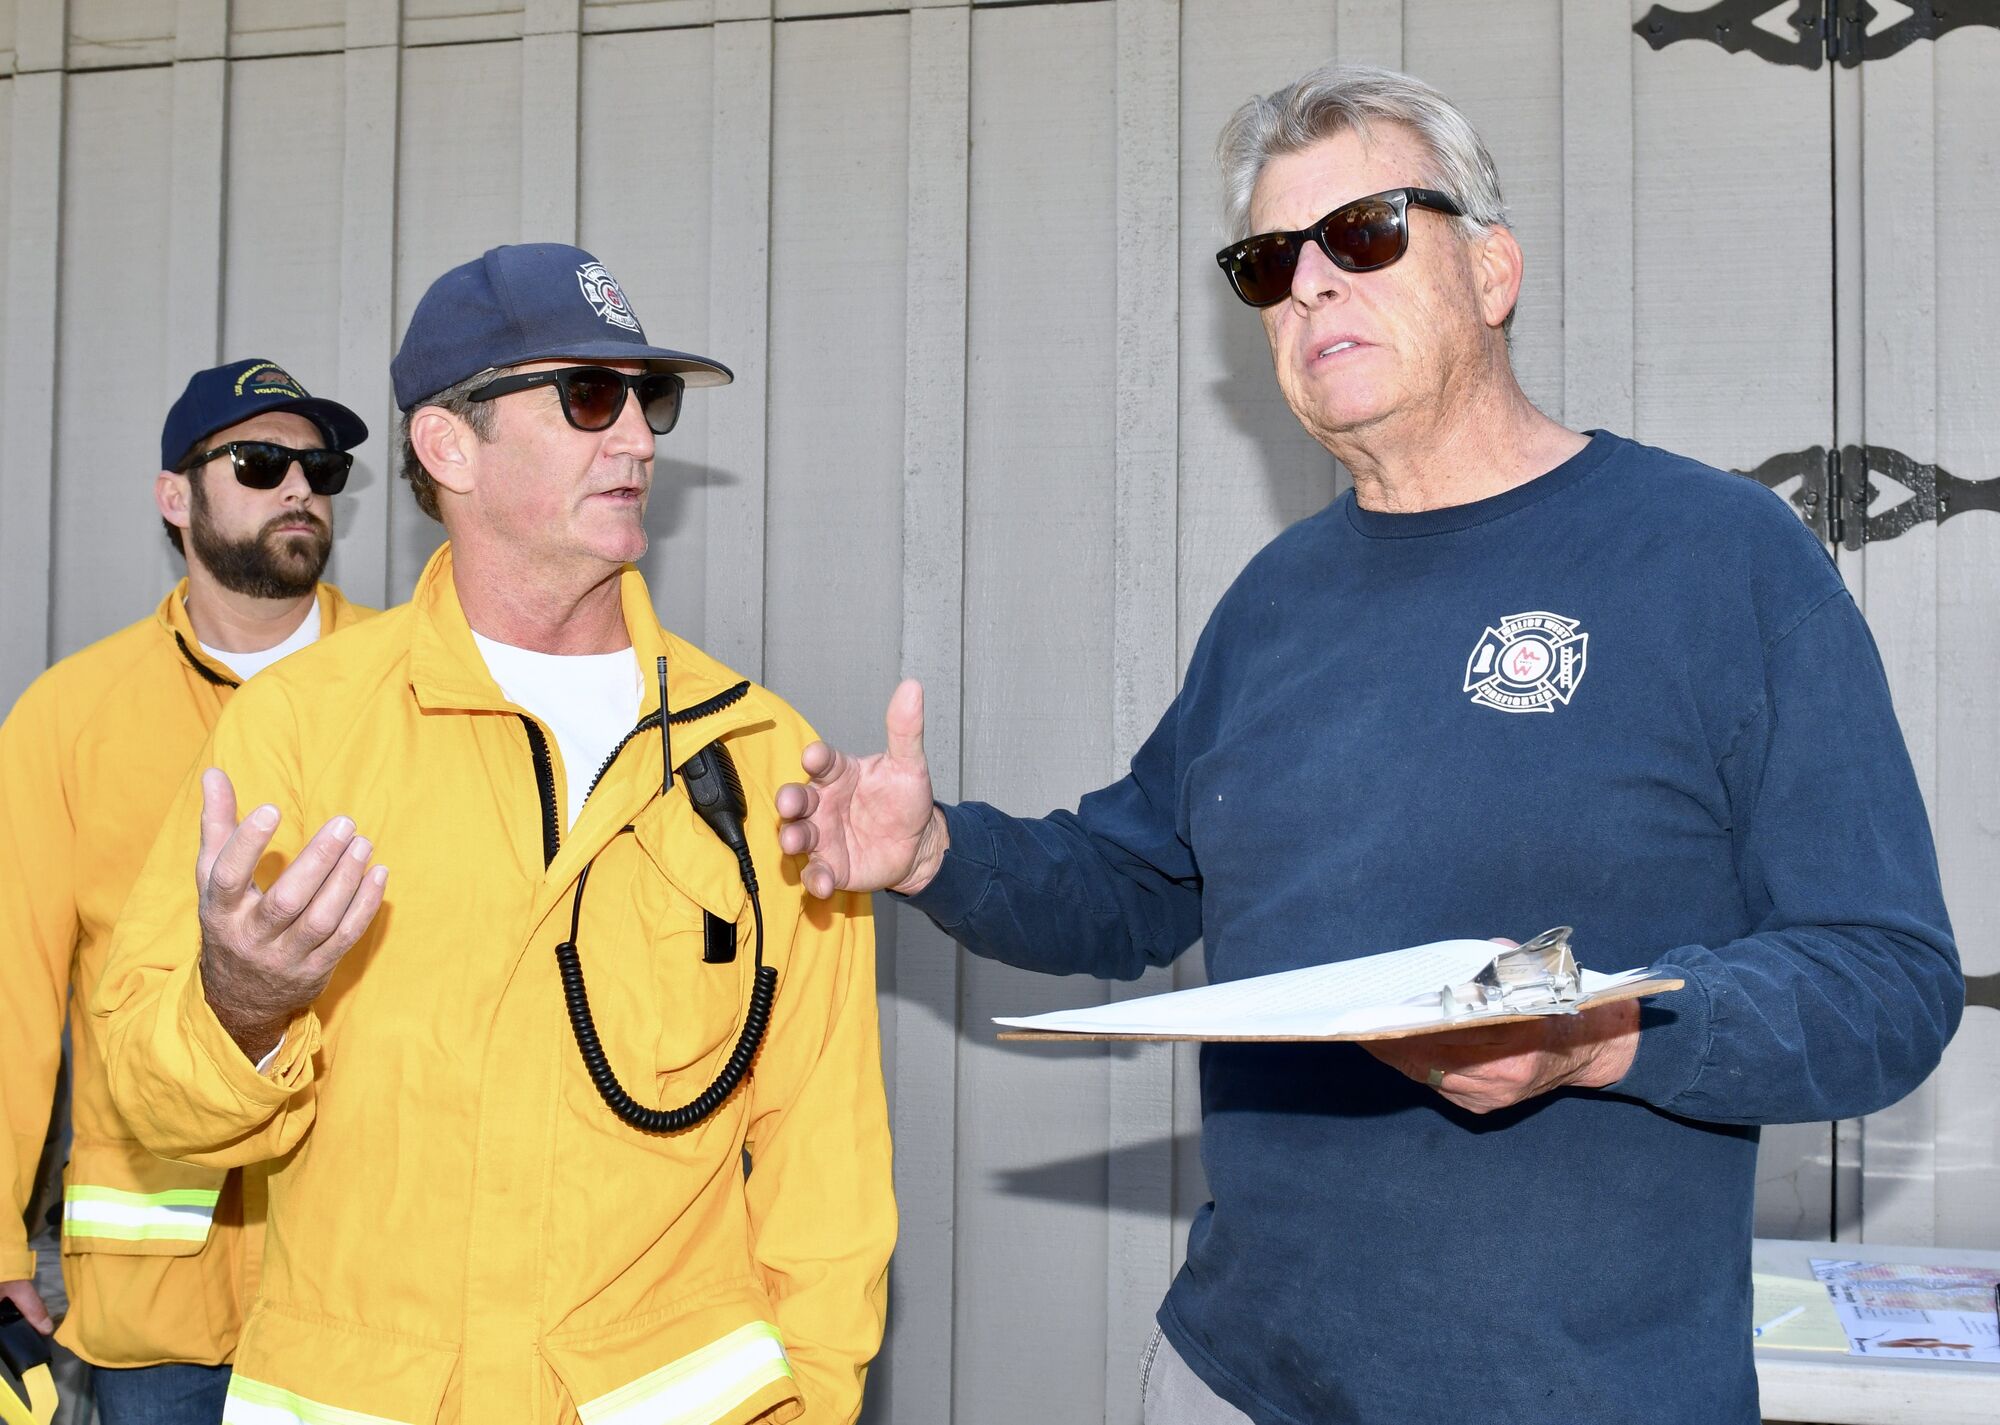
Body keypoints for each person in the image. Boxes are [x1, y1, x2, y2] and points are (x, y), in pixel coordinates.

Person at [772, 64, 1963, 1425]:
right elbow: (1135, 885)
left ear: (1492, 270)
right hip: (1238, 1379)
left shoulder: (1716, 558)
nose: (1311, 285)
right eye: (1270, 263)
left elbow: (1885, 983)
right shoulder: (1276, 603)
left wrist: (1598, 1034)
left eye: (1366, 232)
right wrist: (933, 848)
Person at [96, 244, 895, 1425]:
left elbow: (823, 1156)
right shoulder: (303, 730)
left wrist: (812, 1403)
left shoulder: (759, 753)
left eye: (649, 399)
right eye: (589, 396)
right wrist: (241, 1008)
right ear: (447, 446)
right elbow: (150, 1099)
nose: (638, 440)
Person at [0, 360, 374, 1422]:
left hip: (370, 1290)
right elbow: (11, 995)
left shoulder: (411, 687)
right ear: (176, 495)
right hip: (159, 1312)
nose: (299, 487)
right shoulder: (71, 717)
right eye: (259, 464)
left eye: (321, 469)